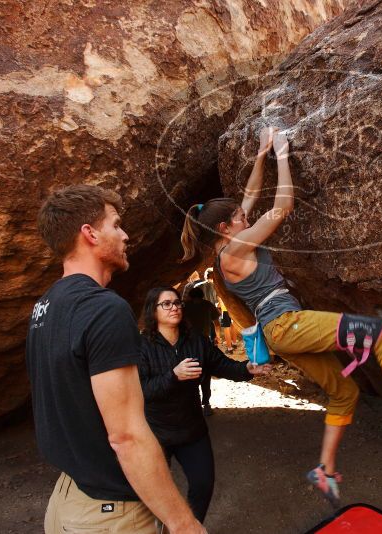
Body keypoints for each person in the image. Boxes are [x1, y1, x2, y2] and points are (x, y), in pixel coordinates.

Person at [179, 127, 382, 505]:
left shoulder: (229, 246)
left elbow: (252, 196)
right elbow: (281, 207)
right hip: (286, 325)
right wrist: (283, 155)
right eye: (241, 216)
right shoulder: (236, 248)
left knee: (343, 392)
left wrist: (261, 154)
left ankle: (324, 469)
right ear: (226, 228)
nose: (247, 214)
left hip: (280, 335)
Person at [27, 184, 204, 533]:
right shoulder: (104, 308)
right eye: (116, 225)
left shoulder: (44, 306)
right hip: (109, 514)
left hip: (66, 500)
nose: (126, 236)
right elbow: (126, 436)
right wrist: (184, 524)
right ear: (89, 234)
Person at [138, 286, 270, 522]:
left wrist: (248, 369)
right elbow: (142, 391)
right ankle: (155, 526)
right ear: (152, 310)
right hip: (156, 432)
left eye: (177, 303)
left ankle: (191, 527)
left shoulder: (195, 340)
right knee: (151, 491)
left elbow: (222, 365)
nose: (174, 307)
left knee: (203, 484)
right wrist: (173, 375)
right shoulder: (142, 346)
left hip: (191, 429)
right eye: (166, 304)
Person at [183, 287, 221, 416]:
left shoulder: (185, 306)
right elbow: (216, 322)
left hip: (187, 344)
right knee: (206, 372)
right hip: (205, 343)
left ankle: (193, 404)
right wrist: (217, 336)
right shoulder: (207, 305)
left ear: (190, 296)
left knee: (189, 372)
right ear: (202, 295)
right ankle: (206, 404)